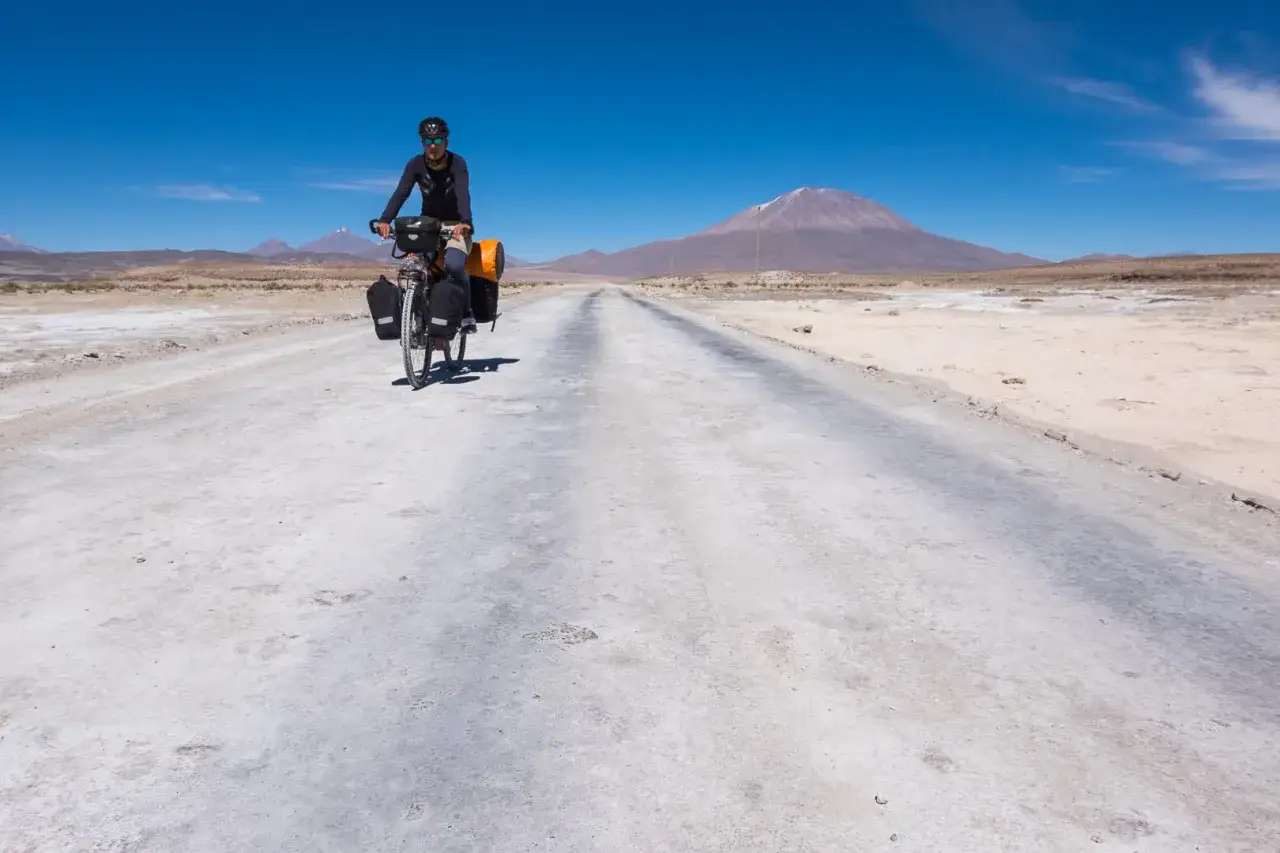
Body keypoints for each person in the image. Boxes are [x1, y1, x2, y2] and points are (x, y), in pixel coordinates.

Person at [376, 116, 476, 334]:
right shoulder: (415, 164)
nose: (433, 146)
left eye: (438, 141)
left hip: (455, 223)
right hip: (428, 223)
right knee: (418, 268)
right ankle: (419, 318)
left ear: (446, 142)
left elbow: (462, 194)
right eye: (427, 140)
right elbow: (401, 193)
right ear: (421, 143)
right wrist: (385, 220)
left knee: (455, 266)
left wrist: (465, 222)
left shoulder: (457, 163)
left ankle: (467, 313)